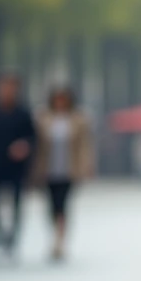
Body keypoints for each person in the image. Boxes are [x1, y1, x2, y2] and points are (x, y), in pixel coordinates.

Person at [0, 73, 36, 259]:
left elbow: (32, 137)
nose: (7, 91)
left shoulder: (23, 113)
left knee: (17, 203)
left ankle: (13, 238)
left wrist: (24, 146)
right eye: (4, 87)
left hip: (17, 167)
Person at [33, 85, 94, 262]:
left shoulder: (79, 119)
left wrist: (87, 165)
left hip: (69, 170)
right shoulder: (43, 118)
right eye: (57, 98)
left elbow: (85, 145)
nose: (60, 102)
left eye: (64, 98)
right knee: (52, 205)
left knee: (63, 204)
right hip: (48, 169)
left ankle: (60, 239)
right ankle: (54, 234)